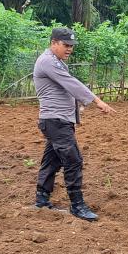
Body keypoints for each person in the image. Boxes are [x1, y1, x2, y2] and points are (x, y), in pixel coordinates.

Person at [32, 27, 115, 221]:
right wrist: (97, 101)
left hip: (59, 121)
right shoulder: (47, 62)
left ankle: (41, 200)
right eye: (65, 45)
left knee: (52, 161)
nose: (69, 49)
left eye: (71, 46)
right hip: (55, 121)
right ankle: (77, 205)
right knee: (73, 160)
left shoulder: (57, 62)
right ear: (53, 43)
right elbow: (72, 84)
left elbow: (66, 89)